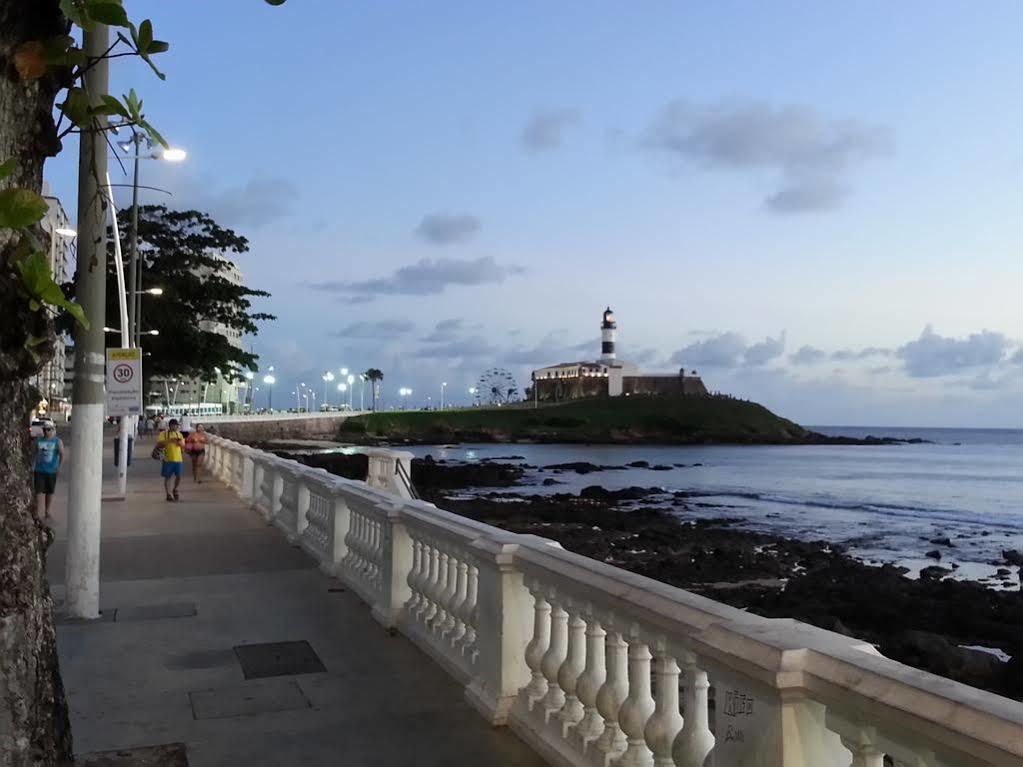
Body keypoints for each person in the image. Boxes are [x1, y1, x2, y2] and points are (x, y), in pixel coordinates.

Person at [33, 424, 64, 520]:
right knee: (38, 491)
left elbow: (62, 454)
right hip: (39, 470)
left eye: (49, 429)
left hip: (51, 471)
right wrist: (32, 465)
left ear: (53, 430)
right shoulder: (38, 441)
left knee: (49, 492)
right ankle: (37, 512)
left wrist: (59, 467)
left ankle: (47, 511)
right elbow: (33, 453)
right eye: (45, 430)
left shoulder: (57, 441)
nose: (46, 431)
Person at [157, 418, 186, 501]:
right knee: (168, 477)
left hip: (178, 458)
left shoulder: (179, 434)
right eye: (173, 425)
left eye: (176, 425)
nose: (175, 427)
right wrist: (170, 440)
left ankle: (175, 488)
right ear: (170, 426)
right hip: (167, 459)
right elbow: (159, 444)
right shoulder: (164, 434)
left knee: (179, 476)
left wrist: (180, 443)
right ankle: (168, 494)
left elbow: (183, 446)